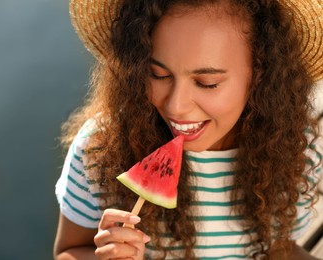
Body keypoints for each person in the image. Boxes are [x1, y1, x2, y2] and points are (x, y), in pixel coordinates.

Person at [54, 0, 323, 259]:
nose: (176, 106)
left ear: (261, 77)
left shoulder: (298, 151)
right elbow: (68, 251)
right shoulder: (98, 149)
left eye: (206, 82)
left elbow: (278, 248)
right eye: (158, 74)